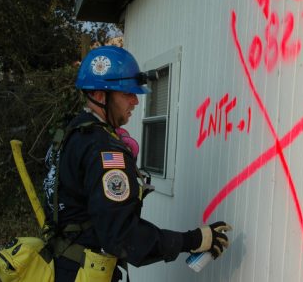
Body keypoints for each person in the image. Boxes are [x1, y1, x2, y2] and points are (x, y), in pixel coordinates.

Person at [42, 45, 232, 282]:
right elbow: (122, 237)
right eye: (126, 94)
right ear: (100, 95)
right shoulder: (103, 149)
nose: (135, 101)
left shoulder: (67, 134)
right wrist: (194, 240)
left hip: (60, 265)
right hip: (84, 272)